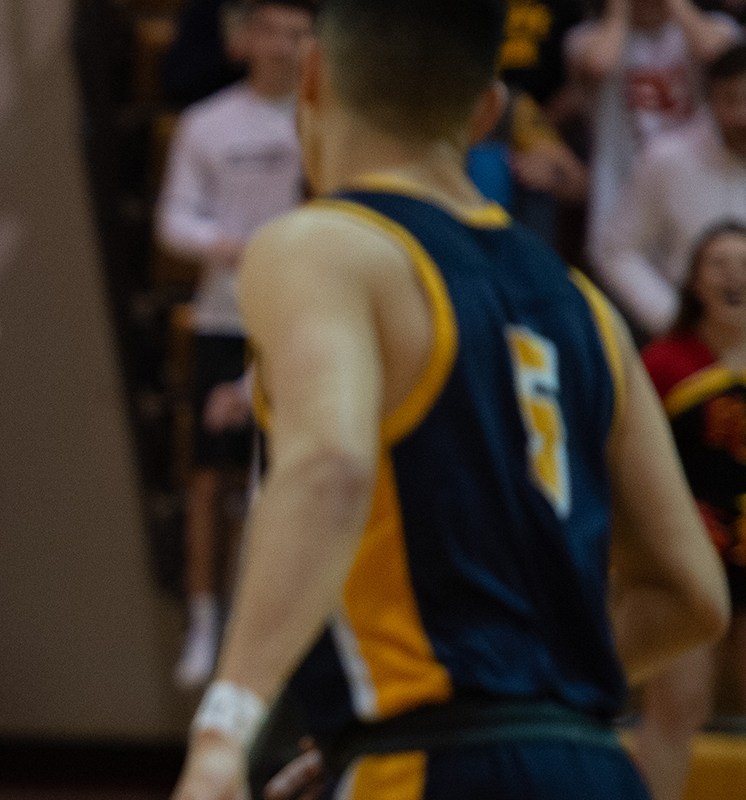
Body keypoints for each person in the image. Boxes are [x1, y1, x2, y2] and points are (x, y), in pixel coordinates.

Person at [170, 1, 731, 798]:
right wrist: (524, 687)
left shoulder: (322, 243)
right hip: (595, 765)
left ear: (314, 76)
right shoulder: (585, 305)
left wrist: (227, 728)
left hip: (432, 763)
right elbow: (692, 595)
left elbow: (329, 463)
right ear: (489, 111)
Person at [155, 0, 315, 690]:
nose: (283, 46)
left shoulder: (325, 121)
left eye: (298, 34)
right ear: (246, 39)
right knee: (210, 475)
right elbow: (172, 219)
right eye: (272, 32)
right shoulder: (208, 123)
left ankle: (273, 622)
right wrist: (222, 246)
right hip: (226, 316)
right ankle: (203, 622)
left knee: (284, 476)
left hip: (304, 317)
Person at [635, 221, 746, 800]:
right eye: (718, 264)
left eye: (743, 263)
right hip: (691, 554)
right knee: (677, 711)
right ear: (694, 281)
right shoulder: (664, 361)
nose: (734, 277)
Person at [599, 44, 746, 337]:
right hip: (689, 343)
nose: (742, 116)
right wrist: (670, 318)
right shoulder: (666, 158)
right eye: (731, 100)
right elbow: (616, 250)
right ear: (709, 100)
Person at [567, 0, 739, 238]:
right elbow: (599, 63)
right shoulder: (587, 37)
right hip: (620, 186)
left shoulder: (715, 27)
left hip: (695, 185)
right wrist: (619, 11)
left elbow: (722, 56)